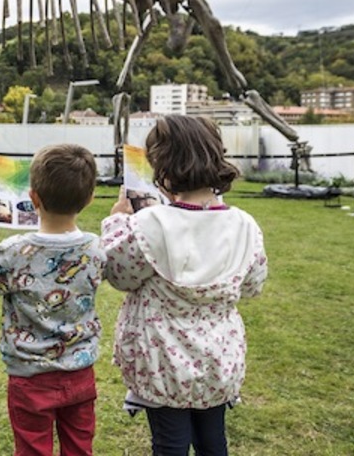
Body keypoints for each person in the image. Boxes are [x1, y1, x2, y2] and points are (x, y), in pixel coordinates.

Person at [101, 115, 268, 456]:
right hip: (218, 357)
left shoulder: (150, 223)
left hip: (162, 359)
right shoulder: (243, 225)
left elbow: (119, 273)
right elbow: (253, 284)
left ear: (163, 166)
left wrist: (117, 220)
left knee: (170, 443)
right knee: (213, 440)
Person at [0, 143, 105, 456]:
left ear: (33, 198)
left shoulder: (15, 250)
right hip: (80, 372)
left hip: (30, 376)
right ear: (90, 198)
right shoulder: (96, 248)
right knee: (80, 450)